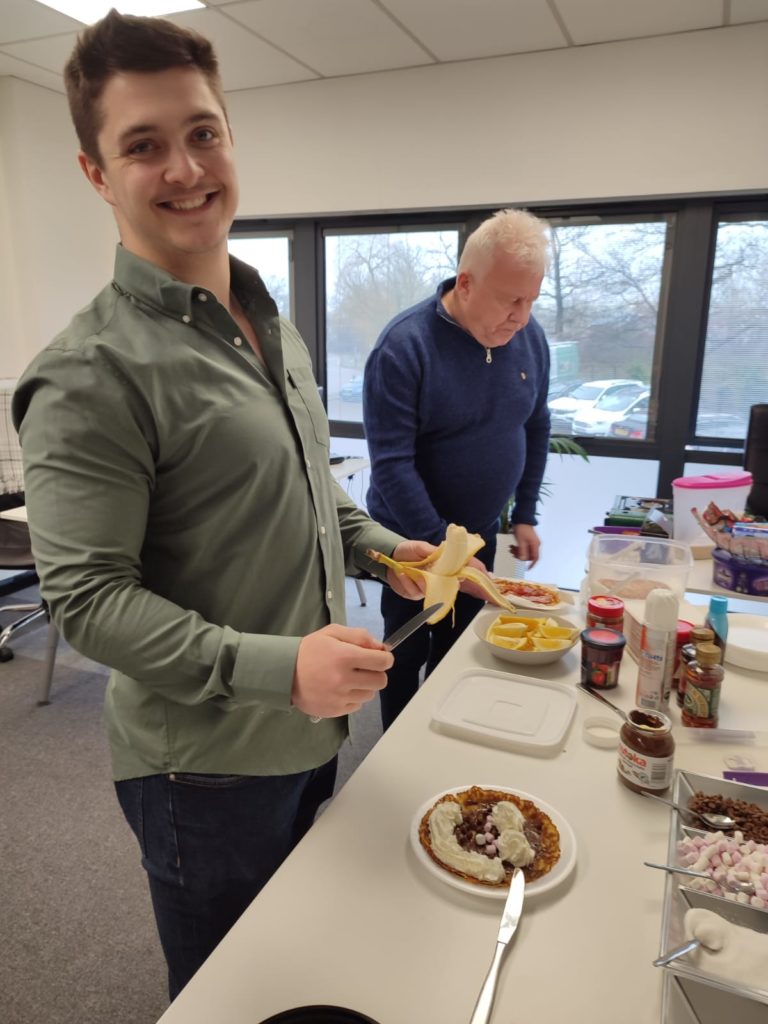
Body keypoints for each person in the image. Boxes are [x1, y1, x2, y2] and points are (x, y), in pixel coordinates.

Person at [12, 11, 431, 1002]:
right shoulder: (86, 375)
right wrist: (279, 667)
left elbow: (302, 480)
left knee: (303, 963)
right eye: (143, 145)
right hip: (202, 772)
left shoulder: (264, 317)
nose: (186, 167)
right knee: (231, 994)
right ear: (95, 174)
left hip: (312, 731)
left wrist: (376, 547)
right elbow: (87, 601)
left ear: (232, 137)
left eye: (203, 132)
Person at [363, 209, 552, 729]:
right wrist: (445, 554)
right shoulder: (404, 348)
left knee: (463, 652)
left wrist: (526, 515)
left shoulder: (528, 339)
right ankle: (398, 746)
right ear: (465, 284)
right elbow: (392, 465)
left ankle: (450, 742)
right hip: (413, 543)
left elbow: (535, 425)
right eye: (511, 298)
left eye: (532, 299)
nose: (522, 315)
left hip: (481, 533)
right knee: (404, 654)